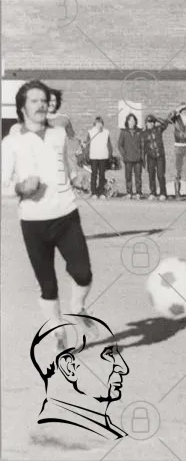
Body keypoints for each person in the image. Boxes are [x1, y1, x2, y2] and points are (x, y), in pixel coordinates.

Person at [1, 81, 95, 351]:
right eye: (34, 100)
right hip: (33, 222)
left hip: (66, 214)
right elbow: (3, 183)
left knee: (83, 273)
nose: (41, 104)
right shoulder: (11, 141)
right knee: (48, 285)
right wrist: (21, 188)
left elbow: (64, 163)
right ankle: (57, 330)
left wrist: (75, 176)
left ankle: (77, 306)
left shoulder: (58, 134)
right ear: (22, 106)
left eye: (44, 100)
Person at [30, 316, 129, 440]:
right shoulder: (76, 434)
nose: (123, 368)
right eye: (108, 355)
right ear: (69, 368)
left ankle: (64, 323)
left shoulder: (101, 427)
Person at [141, 115, 169, 201]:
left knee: (160, 175)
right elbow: (143, 148)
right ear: (146, 123)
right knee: (151, 175)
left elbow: (165, 123)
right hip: (150, 157)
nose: (150, 124)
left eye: (151, 122)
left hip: (160, 156)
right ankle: (153, 193)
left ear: (154, 123)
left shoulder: (158, 129)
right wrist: (143, 160)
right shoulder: (144, 133)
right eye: (148, 122)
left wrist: (157, 119)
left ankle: (163, 193)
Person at [118, 113, 144, 200]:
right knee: (128, 177)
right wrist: (124, 155)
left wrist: (141, 154)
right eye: (130, 120)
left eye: (133, 120)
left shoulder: (139, 132)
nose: (132, 122)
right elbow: (120, 145)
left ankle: (138, 193)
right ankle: (129, 193)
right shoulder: (123, 132)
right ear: (127, 122)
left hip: (137, 159)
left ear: (135, 121)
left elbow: (142, 144)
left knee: (138, 177)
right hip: (128, 158)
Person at [86, 117, 112, 200]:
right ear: (95, 124)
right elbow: (87, 145)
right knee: (94, 175)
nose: (99, 124)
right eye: (97, 123)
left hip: (103, 156)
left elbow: (109, 144)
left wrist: (110, 155)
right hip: (93, 156)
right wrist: (86, 155)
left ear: (102, 124)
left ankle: (101, 192)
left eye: (100, 123)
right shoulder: (91, 132)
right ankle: (94, 192)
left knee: (102, 175)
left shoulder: (106, 132)